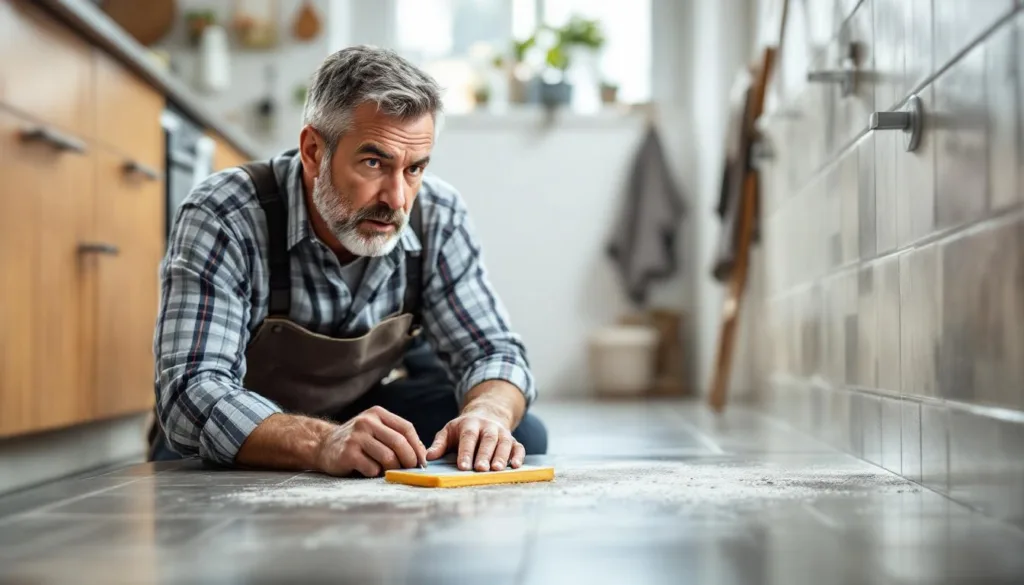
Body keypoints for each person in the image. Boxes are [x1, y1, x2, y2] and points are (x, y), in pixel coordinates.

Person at [150, 45, 546, 477]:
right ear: (314, 151)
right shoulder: (225, 214)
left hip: (363, 411)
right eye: (374, 162)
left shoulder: (438, 215)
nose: (397, 199)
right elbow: (191, 391)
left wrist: (487, 413)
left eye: (414, 169)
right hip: (246, 434)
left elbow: (491, 350)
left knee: (520, 431)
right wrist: (322, 441)